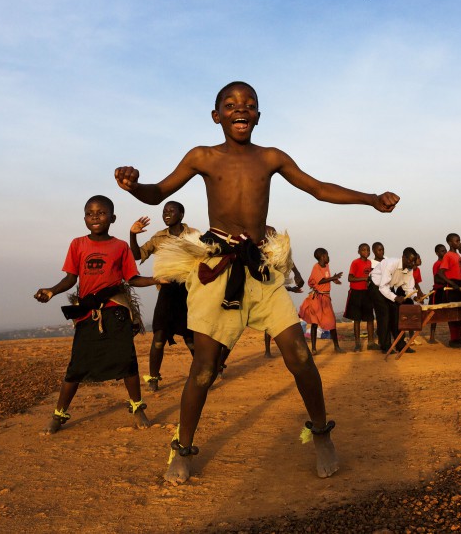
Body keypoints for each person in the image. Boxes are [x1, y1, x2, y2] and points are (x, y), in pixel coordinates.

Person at [114, 81, 399, 483]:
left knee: (299, 356)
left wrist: (370, 198)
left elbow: (317, 188)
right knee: (203, 370)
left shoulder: (270, 157)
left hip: (260, 270)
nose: (240, 109)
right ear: (216, 116)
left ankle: (321, 434)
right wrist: (133, 184)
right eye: (230, 105)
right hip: (217, 269)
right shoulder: (203, 156)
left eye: (249, 104)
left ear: (259, 115)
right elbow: (158, 192)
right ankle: (183, 448)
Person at [33, 195, 158, 434]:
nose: (95, 217)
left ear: (112, 218)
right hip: (87, 314)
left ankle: (137, 408)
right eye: (90, 213)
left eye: (101, 213)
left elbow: (131, 278)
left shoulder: (120, 246)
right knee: (76, 367)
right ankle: (59, 415)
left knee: (127, 362)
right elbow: (70, 279)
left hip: (116, 312)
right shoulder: (77, 244)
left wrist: (157, 279)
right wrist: (52, 291)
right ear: (84, 219)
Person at [129, 201, 200, 391]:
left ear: (181, 214)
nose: (166, 214)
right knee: (159, 335)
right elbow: (137, 255)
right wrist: (132, 235)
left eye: (171, 211)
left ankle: (203, 373)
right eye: (164, 211)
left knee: (191, 338)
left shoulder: (194, 234)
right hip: (167, 291)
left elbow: (206, 258)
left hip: (189, 291)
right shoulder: (158, 237)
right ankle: (153, 377)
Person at [368, 247, 423, 353]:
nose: (412, 264)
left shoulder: (409, 269)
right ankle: (385, 346)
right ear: (403, 257)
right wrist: (396, 297)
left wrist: (414, 296)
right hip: (376, 286)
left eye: (413, 261)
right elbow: (382, 287)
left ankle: (400, 345)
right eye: (410, 261)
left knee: (396, 314)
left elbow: (409, 288)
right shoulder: (390, 263)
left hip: (388, 287)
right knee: (384, 314)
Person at [298, 248, 344, 354]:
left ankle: (336, 347)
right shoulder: (316, 267)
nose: (328, 257)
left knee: (332, 322)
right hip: (317, 299)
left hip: (326, 299)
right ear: (323, 256)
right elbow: (320, 280)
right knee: (314, 323)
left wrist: (335, 280)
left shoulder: (326, 266)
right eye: (327, 255)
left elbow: (326, 279)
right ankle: (313, 349)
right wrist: (333, 278)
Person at [436, 233, 461, 348]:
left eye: (459, 240)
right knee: (453, 314)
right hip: (452, 286)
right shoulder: (448, 255)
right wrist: (452, 284)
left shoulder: (459, 257)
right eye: (456, 241)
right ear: (450, 243)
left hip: (460, 285)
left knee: (459, 314)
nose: (459, 243)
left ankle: (459, 338)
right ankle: (453, 339)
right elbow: (441, 273)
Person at [343, 243, 376, 351]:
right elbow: (350, 278)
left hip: (367, 293)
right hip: (356, 293)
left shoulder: (371, 263)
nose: (366, 252)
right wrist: (363, 278)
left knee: (370, 318)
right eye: (363, 250)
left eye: (368, 250)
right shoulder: (355, 262)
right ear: (359, 251)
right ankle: (357, 344)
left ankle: (371, 343)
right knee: (357, 319)